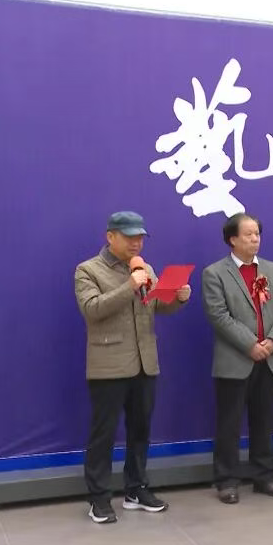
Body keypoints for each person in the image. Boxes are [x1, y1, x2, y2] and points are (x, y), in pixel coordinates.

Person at [74, 211, 190, 524]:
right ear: (110, 236)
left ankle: (136, 489)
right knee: (104, 434)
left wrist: (178, 297)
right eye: (129, 237)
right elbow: (92, 309)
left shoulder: (145, 268)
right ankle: (99, 497)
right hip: (109, 365)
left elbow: (156, 306)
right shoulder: (88, 270)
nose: (136, 243)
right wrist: (129, 285)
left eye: (140, 237)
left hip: (145, 362)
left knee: (140, 431)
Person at [202, 213, 273, 504]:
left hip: (269, 358)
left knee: (264, 421)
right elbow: (219, 315)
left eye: (257, 234)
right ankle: (227, 480)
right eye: (248, 234)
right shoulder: (215, 273)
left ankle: (264, 476)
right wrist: (250, 344)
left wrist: (272, 341)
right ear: (232, 239)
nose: (255, 239)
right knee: (229, 424)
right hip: (235, 360)